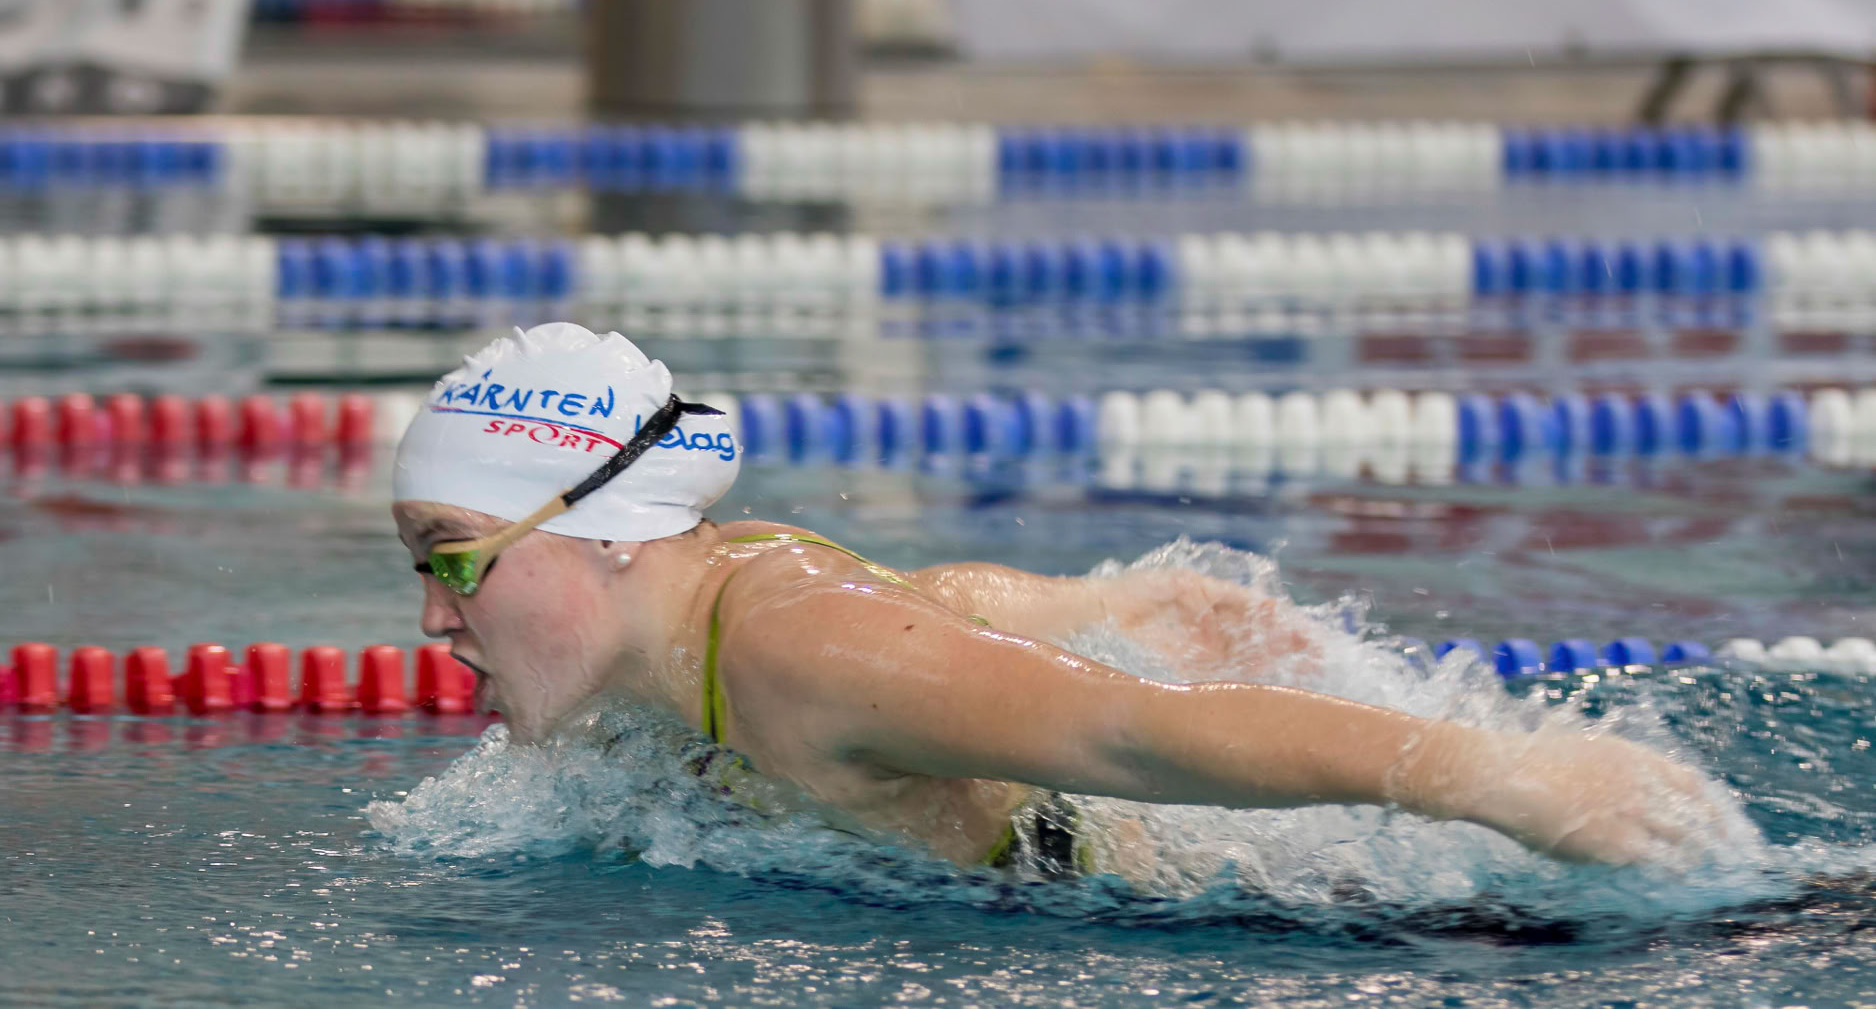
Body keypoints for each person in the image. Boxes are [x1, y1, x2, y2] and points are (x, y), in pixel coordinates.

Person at [392, 323, 1726, 879]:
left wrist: (1490, 774)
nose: (433, 618)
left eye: (454, 556)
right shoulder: (684, 635)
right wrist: (1099, 602)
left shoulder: (798, 651)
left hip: (1273, 904)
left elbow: (1127, 736)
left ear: (611, 532)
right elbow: (932, 610)